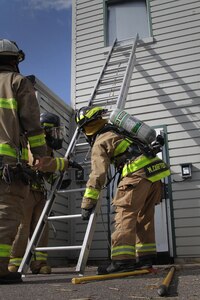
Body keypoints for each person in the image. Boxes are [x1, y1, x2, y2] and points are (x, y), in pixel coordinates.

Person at [74, 106, 171, 275]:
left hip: (136, 175)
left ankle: (122, 261)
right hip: (155, 173)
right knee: (145, 217)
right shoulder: (120, 131)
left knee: (124, 215)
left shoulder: (100, 141)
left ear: (86, 128)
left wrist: (87, 202)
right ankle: (145, 259)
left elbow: (98, 174)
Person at [0, 39, 47, 284]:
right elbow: (33, 125)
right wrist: (41, 155)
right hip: (5, 164)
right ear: (14, 60)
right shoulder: (18, 83)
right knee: (6, 216)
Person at [8, 112, 65, 275]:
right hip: (26, 190)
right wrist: (65, 164)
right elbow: (38, 164)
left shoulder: (48, 148)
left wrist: (54, 178)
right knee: (22, 227)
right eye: (54, 131)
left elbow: (46, 171)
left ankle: (39, 264)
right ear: (45, 131)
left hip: (40, 191)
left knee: (41, 228)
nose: (56, 136)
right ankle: (14, 263)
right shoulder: (32, 144)